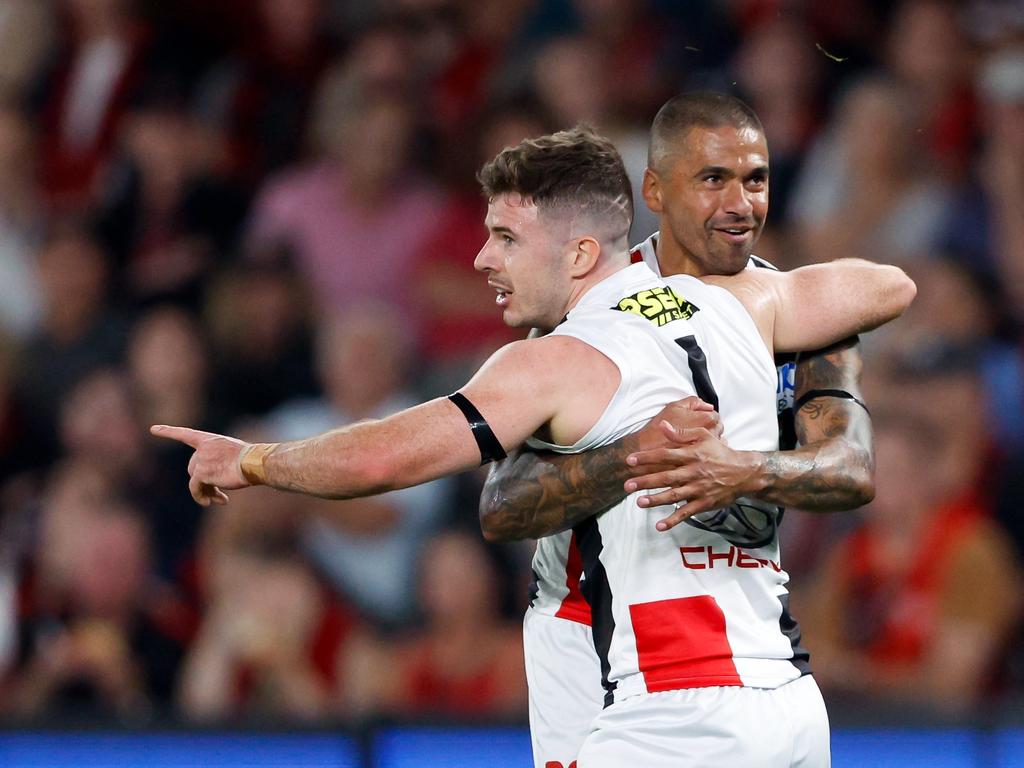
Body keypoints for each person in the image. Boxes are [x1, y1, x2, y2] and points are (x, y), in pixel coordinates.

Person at [152, 126, 914, 762]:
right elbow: (887, 287)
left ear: (580, 255)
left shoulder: (554, 361)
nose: (483, 259)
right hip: (788, 702)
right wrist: (815, 360)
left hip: (675, 712)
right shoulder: (735, 301)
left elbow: (383, 458)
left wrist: (253, 460)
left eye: (506, 237)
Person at [479, 92, 880, 768]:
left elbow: (851, 470)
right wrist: (636, 454)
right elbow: (503, 501)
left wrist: (745, 471)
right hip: (580, 622)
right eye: (713, 180)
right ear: (657, 193)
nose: (738, 205)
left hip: (736, 636)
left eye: (755, 181)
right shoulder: (590, 319)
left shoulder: (808, 326)